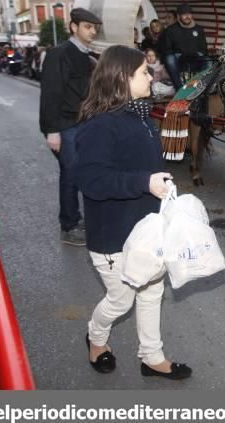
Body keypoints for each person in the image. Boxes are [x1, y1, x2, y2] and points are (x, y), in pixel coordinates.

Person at [73, 45, 192, 380]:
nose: (151, 76)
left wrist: (161, 188)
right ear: (122, 78)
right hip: (114, 237)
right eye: (143, 72)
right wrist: (144, 181)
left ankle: (152, 358)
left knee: (152, 292)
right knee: (122, 300)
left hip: (146, 231)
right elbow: (92, 180)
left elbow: (143, 167)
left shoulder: (138, 115)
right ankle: (96, 338)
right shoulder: (99, 125)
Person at [39, 7, 102, 246]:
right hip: (65, 126)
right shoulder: (59, 54)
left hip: (84, 124)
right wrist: (52, 131)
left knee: (82, 172)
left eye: (94, 28)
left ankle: (77, 218)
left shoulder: (87, 56)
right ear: (73, 27)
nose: (92, 31)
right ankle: (70, 225)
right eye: (87, 27)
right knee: (71, 175)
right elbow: (50, 95)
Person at [162, 4, 208, 90]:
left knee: (209, 60)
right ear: (179, 16)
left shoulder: (199, 29)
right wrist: (178, 54)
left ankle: (202, 88)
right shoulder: (170, 30)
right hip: (179, 59)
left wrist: (198, 53)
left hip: (195, 58)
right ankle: (179, 88)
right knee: (169, 58)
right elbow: (167, 49)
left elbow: (204, 48)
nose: (187, 17)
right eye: (184, 14)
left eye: (189, 14)